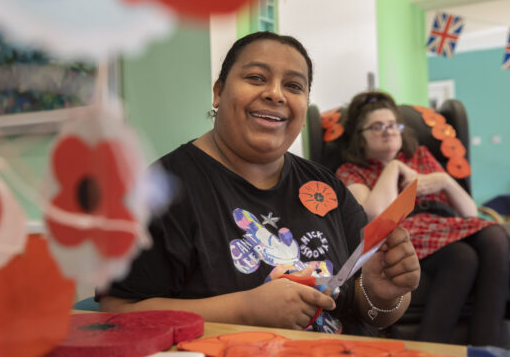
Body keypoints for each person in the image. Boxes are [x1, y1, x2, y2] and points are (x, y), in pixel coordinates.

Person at [98, 32, 420, 335]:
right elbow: (116, 313)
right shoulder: (159, 192)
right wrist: (244, 310)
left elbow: (370, 310)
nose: (275, 94)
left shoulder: (326, 187)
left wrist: (383, 294)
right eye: (256, 78)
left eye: (294, 86)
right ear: (218, 92)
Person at [335, 90, 510, 345]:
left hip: (443, 227)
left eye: (393, 125)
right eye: (377, 127)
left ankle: (486, 347)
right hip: (403, 238)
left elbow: (470, 212)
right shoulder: (351, 171)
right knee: (463, 257)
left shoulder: (420, 156)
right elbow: (374, 216)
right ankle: (433, 346)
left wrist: (444, 181)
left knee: (494, 237)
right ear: (359, 139)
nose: (388, 131)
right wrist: (392, 167)